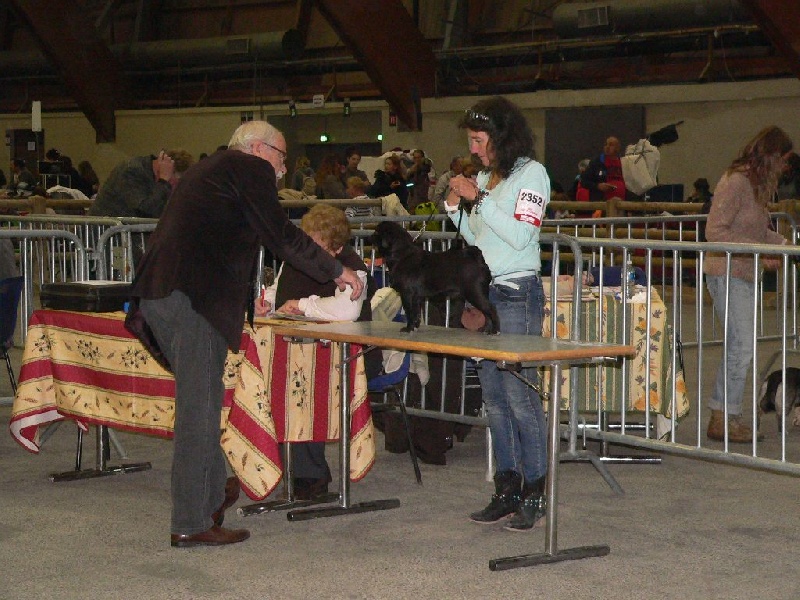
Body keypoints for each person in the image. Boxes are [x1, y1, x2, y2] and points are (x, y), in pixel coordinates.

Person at [124, 120, 365, 548]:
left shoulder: (211, 169)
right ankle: (191, 521)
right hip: (191, 299)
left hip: (164, 295)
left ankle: (214, 491)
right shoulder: (248, 169)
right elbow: (280, 234)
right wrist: (337, 270)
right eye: (281, 156)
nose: (283, 168)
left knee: (200, 404)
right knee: (199, 414)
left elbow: (214, 239)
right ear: (258, 148)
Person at [444, 96, 550, 531]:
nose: (472, 149)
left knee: (521, 399)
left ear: (500, 137)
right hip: (485, 295)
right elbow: (478, 236)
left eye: (477, 139)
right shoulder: (488, 177)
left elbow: (523, 235)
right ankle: (506, 488)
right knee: (494, 399)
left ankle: (536, 491)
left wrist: (480, 197)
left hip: (517, 294)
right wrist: (456, 208)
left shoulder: (533, 175)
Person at [256, 203, 378, 499]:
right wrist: (267, 302)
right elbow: (278, 289)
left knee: (304, 390)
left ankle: (311, 476)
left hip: (343, 358)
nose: (308, 250)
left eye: (317, 245)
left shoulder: (354, 269)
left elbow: (346, 311)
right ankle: (277, 467)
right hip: (294, 349)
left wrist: (302, 305)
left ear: (335, 249)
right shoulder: (296, 260)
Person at [703, 125, 793, 443]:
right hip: (728, 271)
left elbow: (757, 231)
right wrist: (758, 251)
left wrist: (781, 243)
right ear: (770, 157)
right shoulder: (736, 182)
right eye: (783, 160)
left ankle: (723, 415)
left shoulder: (752, 186)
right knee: (741, 347)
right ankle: (725, 417)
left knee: (739, 346)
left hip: (741, 272)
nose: (785, 168)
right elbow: (715, 232)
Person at [88, 149, 194, 217]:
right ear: (162, 170)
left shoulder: (150, 176)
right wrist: (164, 181)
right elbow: (146, 211)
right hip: (102, 238)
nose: (174, 190)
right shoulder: (131, 171)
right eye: (174, 184)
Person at [580, 136, 626, 202]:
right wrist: (598, 186)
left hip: (622, 204)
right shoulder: (597, 162)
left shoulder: (623, 162)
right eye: (606, 144)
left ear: (618, 148)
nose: (607, 147)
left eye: (611, 145)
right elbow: (584, 181)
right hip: (602, 205)